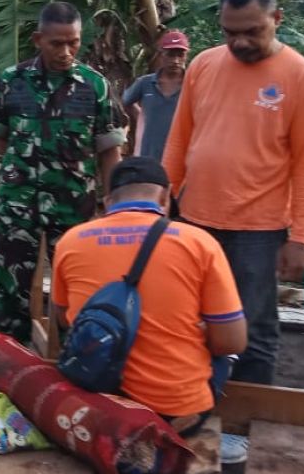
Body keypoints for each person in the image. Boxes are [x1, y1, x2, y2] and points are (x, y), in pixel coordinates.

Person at [162, 0, 304, 463]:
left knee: (253, 327)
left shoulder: (301, 77)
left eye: (251, 31)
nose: (238, 42)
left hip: (259, 231)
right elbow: (179, 138)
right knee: (190, 322)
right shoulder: (203, 65)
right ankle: (193, 409)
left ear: (277, 20)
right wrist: (161, 199)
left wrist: (301, 236)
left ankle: (240, 425)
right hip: (196, 220)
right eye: (229, 31)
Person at [53, 156, 248, 436]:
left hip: (94, 406)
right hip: (172, 414)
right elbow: (233, 341)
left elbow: (64, 318)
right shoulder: (200, 243)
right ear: (166, 196)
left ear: (108, 202)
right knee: (224, 350)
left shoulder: (71, 241)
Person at [0, 2, 126, 341]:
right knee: (10, 284)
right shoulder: (11, 81)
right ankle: (8, 351)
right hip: (19, 204)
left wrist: (114, 204)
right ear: (38, 39)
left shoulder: (95, 87)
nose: (66, 51)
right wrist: (24, 162)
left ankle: (74, 352)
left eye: (73, 42)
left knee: (76, 284)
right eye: (56, 43)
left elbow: (109, 150)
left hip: (73, 205)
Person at [122, 30, 190, 161]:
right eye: (170, 55)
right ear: (161, 55)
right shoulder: (145, 83)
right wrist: (142, 118)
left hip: (182, 158)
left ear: (186, 56)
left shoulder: (192, 84)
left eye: (180, 55)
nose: (175, 61)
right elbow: (124, 102)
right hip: (149, 156)